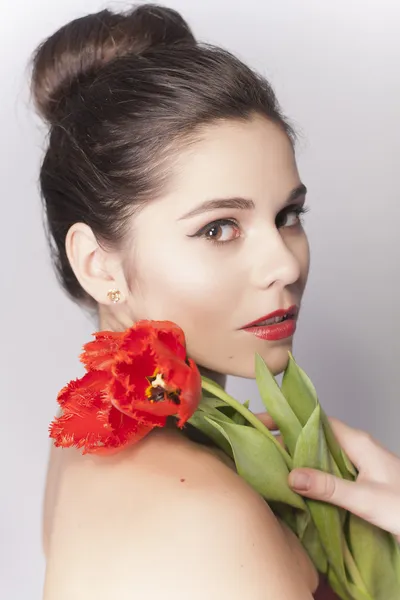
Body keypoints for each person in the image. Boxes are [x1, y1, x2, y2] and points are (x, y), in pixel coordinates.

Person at [30, 4, 399, 599]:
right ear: (99, 265)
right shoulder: (201, 514)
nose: (285, 263)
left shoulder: (84, 441)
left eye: (288, 216)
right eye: (219, 228)